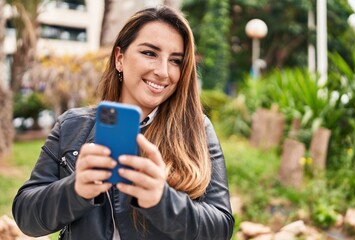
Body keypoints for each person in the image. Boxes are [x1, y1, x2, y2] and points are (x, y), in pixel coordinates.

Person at [12, 5, 234, 240]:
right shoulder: (71, 126)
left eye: (176, 60)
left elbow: (220, 229)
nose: (163, 72)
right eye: (150, 53)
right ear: (120, 58)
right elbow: (26, 216)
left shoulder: (196, 128)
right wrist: (75, 190)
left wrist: (163, 201)